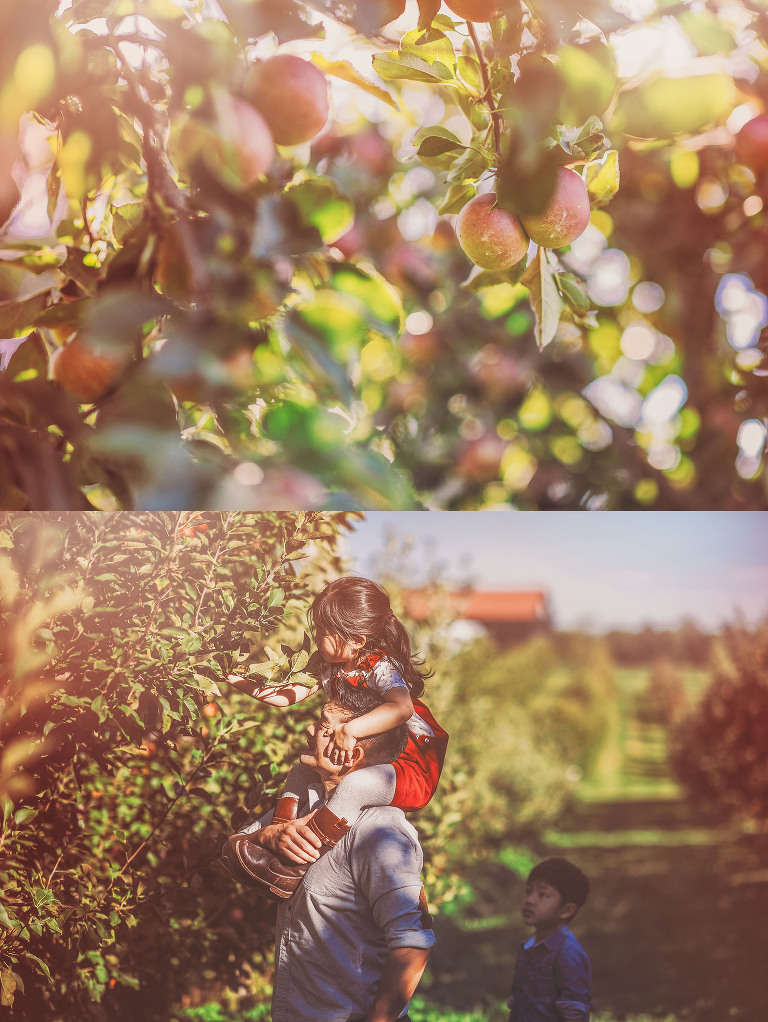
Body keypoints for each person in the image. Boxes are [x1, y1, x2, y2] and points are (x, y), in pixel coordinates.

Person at [221, 685, 435, 1022]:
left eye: (323, 729)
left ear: (352, 754)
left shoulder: (380, 831)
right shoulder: (305, 803)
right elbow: (232, 850)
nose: (309, 730)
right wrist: (272, 833)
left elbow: (413, 942)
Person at [226, 575, 448, 895]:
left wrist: (350, 729)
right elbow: (284, 696)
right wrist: (234, 678)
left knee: (357, 785)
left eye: (324, 632)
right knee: (300, 771)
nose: (317, 639)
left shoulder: (379, 666)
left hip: (407, 761)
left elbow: (401, 709)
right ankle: (280, 829)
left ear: (356, 639)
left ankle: (300, 861)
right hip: (367, 753)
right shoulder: (328, 663)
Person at [507, 857, 592, 1022]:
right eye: (528, 891)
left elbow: (574, 1011)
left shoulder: (567, 954)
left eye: (543, 894)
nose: (530, 900)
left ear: (566, 910)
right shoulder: (527, 947)